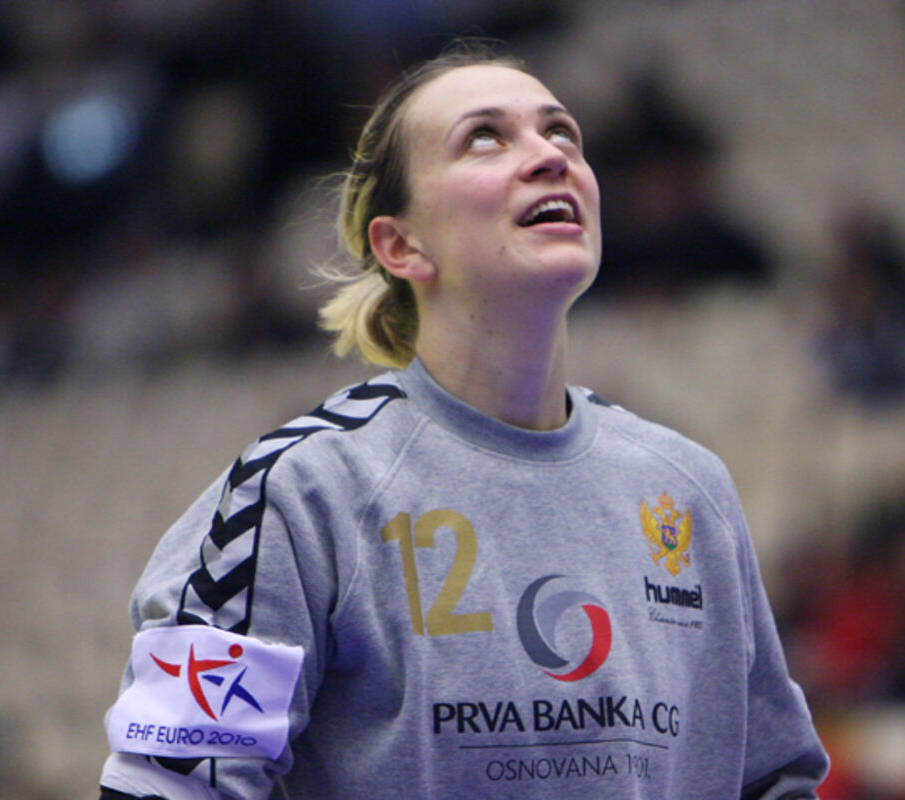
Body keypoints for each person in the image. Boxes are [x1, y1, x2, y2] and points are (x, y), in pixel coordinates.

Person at [98, 41, 829, 800]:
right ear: (400, 244)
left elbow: (773, 781)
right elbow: (167, 787)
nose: (549, 155)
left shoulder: (690, 491)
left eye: (562, 133)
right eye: (485, 137)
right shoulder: (301, 494)